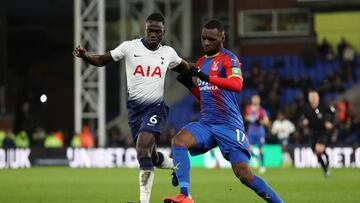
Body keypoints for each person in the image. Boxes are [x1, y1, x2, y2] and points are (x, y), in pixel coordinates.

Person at [73, 13, 190, 203]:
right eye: (150, 30)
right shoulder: (129, 47)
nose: (153, 34)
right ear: (145, 30)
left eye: (157, 31)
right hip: (135, 112)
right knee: (150, 156)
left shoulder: (168, 53)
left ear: (163, 33)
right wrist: (85, 56)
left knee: (142, 148)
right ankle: (178, 166)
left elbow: (186, 67)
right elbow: (102, 60)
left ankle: (144, 202)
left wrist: (204, 71)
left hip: (156, 109)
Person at [163, 20, 283, 203]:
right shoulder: (202, 62)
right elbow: (206, 96)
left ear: (222, 38)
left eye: (211, 39)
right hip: (207, 124)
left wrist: (206, 77)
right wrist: (190, 85)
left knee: (244, 175)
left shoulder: (229, 58)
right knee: (179, 141)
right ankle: (185, 195)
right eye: (203, 38)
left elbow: (237, 84)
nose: (206, 43)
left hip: (229, 126)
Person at [301, 90, 334, 177]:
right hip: (313, 131)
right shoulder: (306, 108)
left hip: (322, 131)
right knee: (316, 152)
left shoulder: (324, 106)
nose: (313, 99)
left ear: (318, 97)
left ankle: (327, 161)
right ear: (309, 98)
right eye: (311, 97)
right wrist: (304, 122)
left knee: (319, 149)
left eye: (315, 97)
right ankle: (325, 169)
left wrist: (330, 122)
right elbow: (302, 118)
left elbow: (333, 113)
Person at [245, 95, 270, 174]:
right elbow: (246, 117)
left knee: (261, 149)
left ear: (259, 101)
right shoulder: (248, 109)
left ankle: (262, 166)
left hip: (260, 132)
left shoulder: (262, 111)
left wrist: (260, 121)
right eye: (254, 99)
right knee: (248, 149)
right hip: (251, 132)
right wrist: (250, 118)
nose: (255, 100)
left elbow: (266, 122)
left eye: (257, 99)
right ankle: (254, 159)